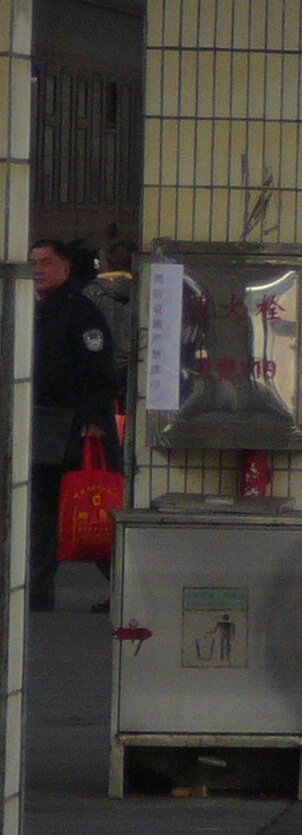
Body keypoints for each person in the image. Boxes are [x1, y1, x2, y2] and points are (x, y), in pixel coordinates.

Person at [28, 238, 120, 613]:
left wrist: (96, 419)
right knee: (45, 510)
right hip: (44, 424)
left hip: (80, 427)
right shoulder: (33, 309)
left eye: (46, 262)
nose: (38, 269)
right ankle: (37, 591)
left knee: (91, 504)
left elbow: (99, 370)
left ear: (66, 267)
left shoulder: (81, 312)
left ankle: (126, 587)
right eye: (33, 262)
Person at [81, 239, 136, 393]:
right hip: (137, 366)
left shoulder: (90, 293)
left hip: (101, 368)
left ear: (105, 263)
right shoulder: (144, 290)